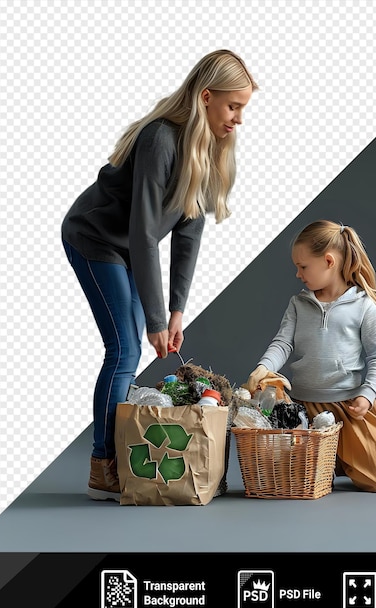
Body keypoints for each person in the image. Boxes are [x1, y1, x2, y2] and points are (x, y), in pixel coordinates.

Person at [62, 50, 258, 501]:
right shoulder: (160, 139)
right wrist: (153, 320)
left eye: (243, 108)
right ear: (206, 97)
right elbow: (146, 232)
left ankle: (115, 457)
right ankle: (102, 466)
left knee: (129, 349)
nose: (240, 119)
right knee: (125, 348)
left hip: (130, 248)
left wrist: (175, 311)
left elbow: (187, 236)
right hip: (96, 238)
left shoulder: (209, 150)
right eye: (233, 106)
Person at [245, 220, 376, 492]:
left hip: (350, 407)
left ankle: (339, 456)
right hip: (304, 406)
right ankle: (327, 459)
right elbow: (282, 343)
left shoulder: (363, 306)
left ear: (329, 261)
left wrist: (368, 393)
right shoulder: (298, 304)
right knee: (294, 479)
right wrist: (263, 367)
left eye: (302, 267)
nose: (297, 274)